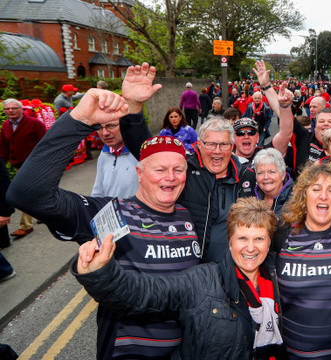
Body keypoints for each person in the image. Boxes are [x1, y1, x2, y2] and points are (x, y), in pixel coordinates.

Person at [7, 69, 205, 359]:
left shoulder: (193, 215)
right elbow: (27, 194)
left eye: (178, 170)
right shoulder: (111, 214)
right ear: (139, 172)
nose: (171, 177)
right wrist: (79, 121)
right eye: (160, 169)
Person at [119, 62, 294, 262]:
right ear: (199, 145)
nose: (217, 152)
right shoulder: (183, 167)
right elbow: (146, 148)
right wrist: (133, 106)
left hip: (233, 270)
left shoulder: (247, 175)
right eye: (210, 144)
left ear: (232, 146)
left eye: (223, 145)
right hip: (186, 268)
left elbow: (281, 183)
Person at [74, 197, 285, 360]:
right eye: (242, 238)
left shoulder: (281, 277)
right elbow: (143, 294)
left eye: (259, 238)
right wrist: (101, 272)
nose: (250, 247)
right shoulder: (201, 280)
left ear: (269, 243)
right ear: (230, 241)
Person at [274, 162, 331, 358]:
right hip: (294, 354)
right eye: (316, 189)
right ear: (304, 195)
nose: (324, 196)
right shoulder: (282, 234)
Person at [0, 99, 46, 238]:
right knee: (36, 191)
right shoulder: (5, 125)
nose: (10, 111)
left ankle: (26, 225)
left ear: (21, 109)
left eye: (14, 108)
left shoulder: (34, 123)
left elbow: (44, 144)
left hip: (33, 165)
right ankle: (43, 213)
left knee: (24, 194)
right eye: (7, 109)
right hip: (17, 164)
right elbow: (3, 147)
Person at [91, 119, 139, 198]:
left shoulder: (140, 153)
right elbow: (98, 191)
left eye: (111, 126)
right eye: (99, 128)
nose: (105, 133)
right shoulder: (104, 153)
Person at [251, 148, 293, 216]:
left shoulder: (296, 199)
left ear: (283, 175)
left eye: (271, 172)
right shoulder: (250, 198)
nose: (266, 177)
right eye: (260, 173)